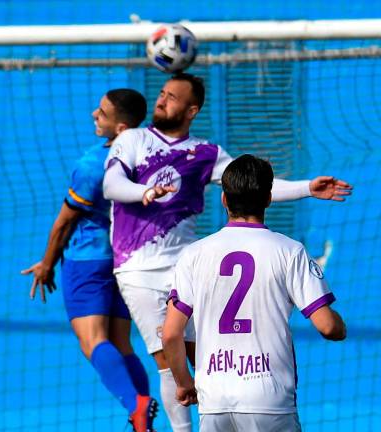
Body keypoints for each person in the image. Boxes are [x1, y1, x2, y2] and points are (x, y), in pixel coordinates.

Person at [102, 73, 351, 432]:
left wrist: (305, 188)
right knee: (163, 353)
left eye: (172, 96)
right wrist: (142, 192)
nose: (161, 100)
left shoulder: (207, 153)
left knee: (198, 350)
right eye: (161, 93)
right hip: (136, 266)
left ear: (192, 110)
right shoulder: (132, 139)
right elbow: (111, 184)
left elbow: (249, 186)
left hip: (181, 263)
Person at [162, 154, 346, 431]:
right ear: (269, 199)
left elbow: (171, 334)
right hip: (269, 399)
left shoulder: (193, 254)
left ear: (224, 199)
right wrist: (340, 326)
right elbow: (328, 327)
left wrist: (183, 382)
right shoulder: (289, 250)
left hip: (214, 399)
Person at [22, 89, 157, 431]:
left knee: (93, 341)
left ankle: (136, 404)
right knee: (122, 342)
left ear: (121, 127)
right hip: (128, 259)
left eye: (102, 112)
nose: (93, 115)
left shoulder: (93, 166)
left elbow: (65, 221)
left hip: (89, 261)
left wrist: (47, 262)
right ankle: (143, 423)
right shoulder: (151, 158)